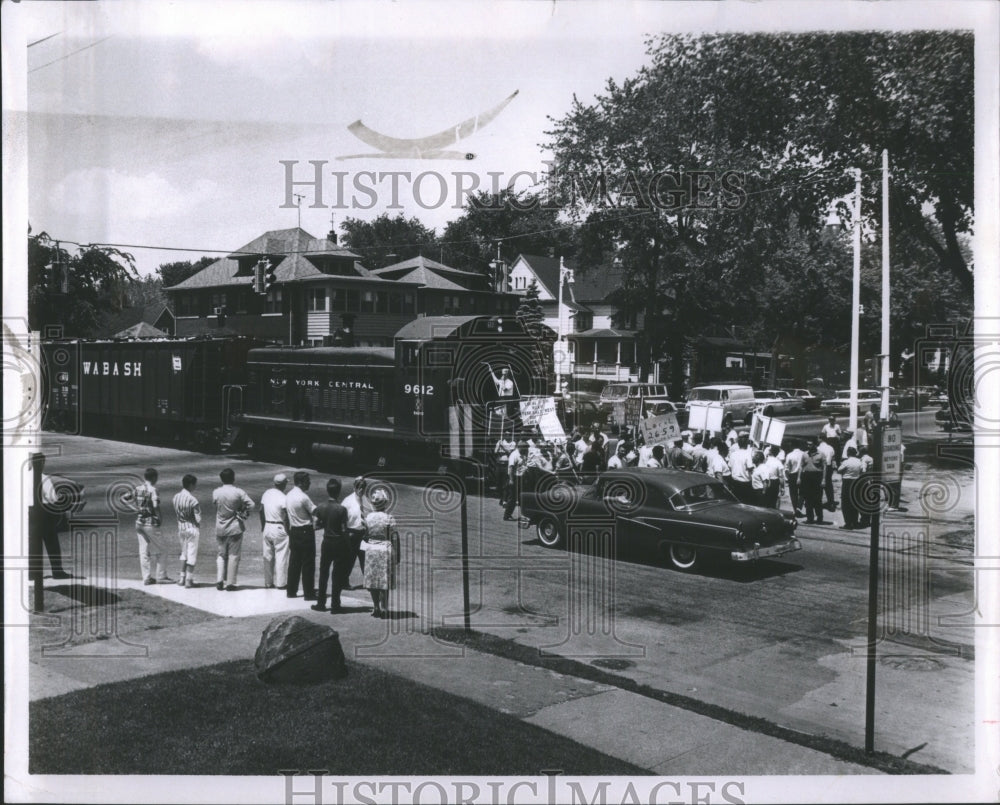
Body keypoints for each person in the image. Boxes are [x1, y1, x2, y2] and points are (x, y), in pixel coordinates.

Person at [31, 453, 76, 580]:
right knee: (51, 542)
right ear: (42, 463)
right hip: (44, 513)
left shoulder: (24, 476)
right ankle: (57, 571)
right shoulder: (43, 478)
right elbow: (52, 498)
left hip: (29, 511)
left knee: (33, 542)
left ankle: (32, 572)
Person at [312, 478, 351, 613]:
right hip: (339, 542)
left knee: (324, 573)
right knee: (337, 574)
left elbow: (316, 525)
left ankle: (321, 602)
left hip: (327, 542)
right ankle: (335, 604)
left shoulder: (320, 507)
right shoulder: (342, 509)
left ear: (327, 490)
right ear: (338, 492)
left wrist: (326, 524)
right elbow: (344, 529)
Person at [212, 467, 255, 591]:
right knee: (233, 555)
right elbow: (251, 504)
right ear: (233, 478)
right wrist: (241, 510)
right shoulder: (238, 492)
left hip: (220, 527)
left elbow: (215, 505)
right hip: (234, 527)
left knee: (221, 555)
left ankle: (219, 579)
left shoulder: (216, 492)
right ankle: (230, 582)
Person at [359, 488, 399, 618]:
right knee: (384, 582)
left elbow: (365, 535)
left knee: (372, 580)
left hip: (371, 549)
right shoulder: (389, 518)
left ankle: (375, 606)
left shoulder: (368, 518)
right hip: (385, 550)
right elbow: (394, 537)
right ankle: (384, 608)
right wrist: (398, 553)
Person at [285, 470, 317, 600]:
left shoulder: (289, 495)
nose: (309, 484)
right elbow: (315, 511)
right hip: (306, 531)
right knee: (308, 563)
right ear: (301, 482)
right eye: (307, 481)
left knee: (294, 562)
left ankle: (291, 590)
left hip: (294, 531)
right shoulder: (303, 497)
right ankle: (308, 593)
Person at [135, 467, 170, 585]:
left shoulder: (137, 488)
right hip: (150, 523)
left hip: (139, 523)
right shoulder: (153, 490)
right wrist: (160, 518)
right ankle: (161, 575)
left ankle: (146, 577)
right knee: (162, 549)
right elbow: (155, 506)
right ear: (154, 477)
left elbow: (123, 498)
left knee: (143, 550)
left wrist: (136, 509)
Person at [258, 473, 290, 590]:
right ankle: (281, 583)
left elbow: (261, 510)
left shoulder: (267, 493)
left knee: (268, 556)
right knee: (281, 555)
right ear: (284, 484)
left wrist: (263, 526)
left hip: (267, 526)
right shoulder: (284, 497)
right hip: (279, 527)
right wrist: (288, 531)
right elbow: (286, 516)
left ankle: (268, 582)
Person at [172, 474, 201, 588]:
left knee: (184, 554)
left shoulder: (175, 497)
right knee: (191, 554)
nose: (195, 486)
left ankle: (182, 578)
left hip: (181, 528)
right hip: (192, 529)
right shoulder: (193, 500)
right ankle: (189, 580)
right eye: (194, 484)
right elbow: (198, 518)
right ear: (190, 484)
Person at [342, 476, 372, 581]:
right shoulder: (347, 501)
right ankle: (344, 581)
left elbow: (371, 516)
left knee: (365, 559)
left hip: (363, 535)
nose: (361, 489)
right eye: (359, 487)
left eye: (363, 487)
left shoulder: (367, 501)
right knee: (349, 559)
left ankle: (368, 582)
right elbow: (343, 519)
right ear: (354, 487)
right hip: (352, 534)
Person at [800, 440, 828, 525]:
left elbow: (824, 468)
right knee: (808, 499)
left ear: (815, 445)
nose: (808, 446)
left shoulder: (821, 454)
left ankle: (819, 518)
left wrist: (823, 479)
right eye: (807, 444)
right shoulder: (805, 454)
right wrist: (799, 478)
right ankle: (810, 518)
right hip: (807, 477)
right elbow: (801, 467)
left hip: (817, 477)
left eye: (810, 444)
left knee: (817, 499)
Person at [837, 446, 864, 530]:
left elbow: (839, 470)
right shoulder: (859, 461)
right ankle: (854, 522)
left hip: (847, 482)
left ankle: (848, 523)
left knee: (846, 503)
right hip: (856, 482)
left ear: (848, 453)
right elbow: (862, 470)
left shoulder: (846, 462)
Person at [504, 441, 530, 520]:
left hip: (522, 477)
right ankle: (507, 515)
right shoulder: (514, 455)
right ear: (520, 447)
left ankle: (524, 515)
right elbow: (511, 468)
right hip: (515, 477)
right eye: (525, 448)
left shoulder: (523, 454)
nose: (526, 450)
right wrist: (511, 480)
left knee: (522, 497)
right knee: (512, 498)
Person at [727, 432, 755, 503]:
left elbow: (730, 467)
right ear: (747, 443)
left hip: (734, 482)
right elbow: (750, 468)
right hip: (745, 484)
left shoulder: (733, 454)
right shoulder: (748, 454)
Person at [784, 440, 805, 517]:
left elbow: (786, 468)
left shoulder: (789, 455)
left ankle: (795, 508)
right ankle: (799, 507)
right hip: (802, 475)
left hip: (792, 475)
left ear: (792, 446)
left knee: (793, 493)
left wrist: (787, 477)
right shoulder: (803, 454)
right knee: (802, 492)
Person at [816, 434, 837, 511]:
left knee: (819, 486)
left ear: (821, 439)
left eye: (818, 438)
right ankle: (831, 502)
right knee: (829, 486)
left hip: (821, 468)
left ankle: (818, 503)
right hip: (829, 467)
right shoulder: (830, 448)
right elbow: (833, 458)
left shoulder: (818, 448)